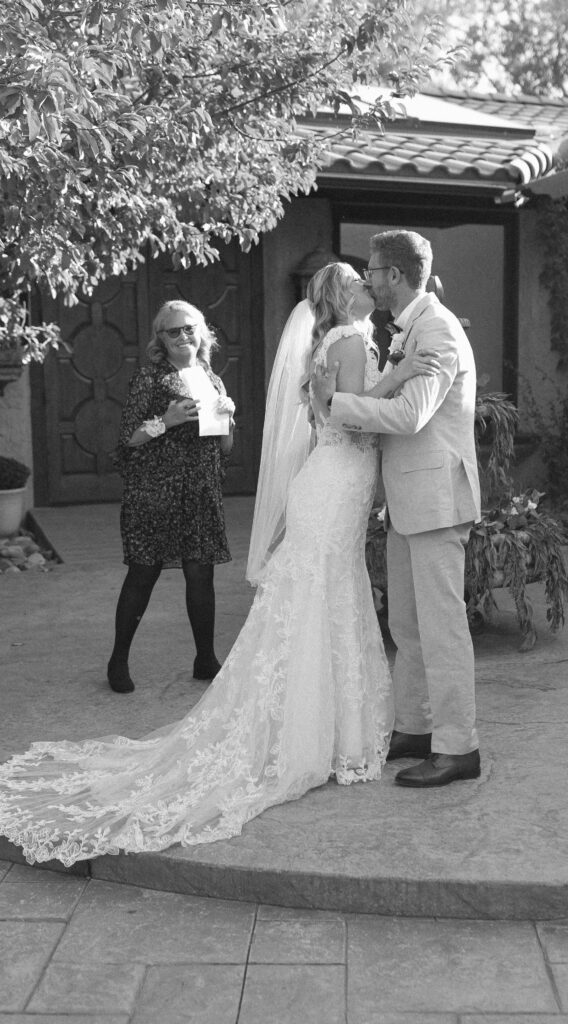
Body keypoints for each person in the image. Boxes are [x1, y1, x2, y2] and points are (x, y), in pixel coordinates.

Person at [0, 262, 438, 867]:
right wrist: (404, 376)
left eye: (189, 330)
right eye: (361, 282)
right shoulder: (342, 341)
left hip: (248, 485)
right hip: (207, 486)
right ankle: (296, 723)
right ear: (342, 296)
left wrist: (226, 418)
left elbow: (290, 421)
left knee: (292, 590)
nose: (370, 287)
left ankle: (265, 691)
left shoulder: (261, 360)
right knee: (255, 586)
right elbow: (348, 411)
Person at [312, 231, 482, 789]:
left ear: (397, 274)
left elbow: (411, 416)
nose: (369, 280)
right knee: (407, 625)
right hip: (409, 500)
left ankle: (459, 748)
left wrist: (335, 406)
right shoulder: (411, 327)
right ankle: (416, 728)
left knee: (442, 628)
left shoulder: (435, 329)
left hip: (435, 499)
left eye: (374, 271)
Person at [106, 300, 236, 694]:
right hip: (155, 491)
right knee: (143, 573)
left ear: (202, 333)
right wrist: (166, 421)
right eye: (173, 331)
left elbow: (225, 448)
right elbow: (128, 437)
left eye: (189, 329)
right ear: (160, 339)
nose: (183, 337)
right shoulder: (149, 379)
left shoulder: (213, 379)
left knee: (201, 572)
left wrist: (229, 418)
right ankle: (118, 660)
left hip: (200, 490)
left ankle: (205, 659)